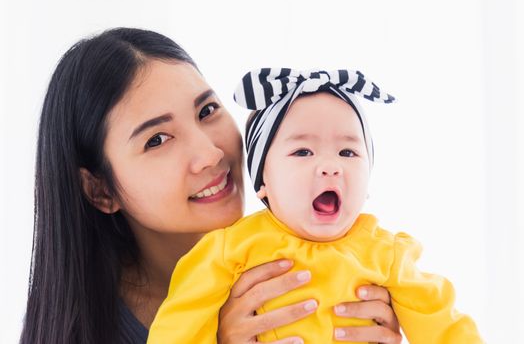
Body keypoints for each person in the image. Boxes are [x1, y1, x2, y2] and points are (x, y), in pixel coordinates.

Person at [20, 28, 403, 344]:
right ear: (100, 190)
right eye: (157, 140)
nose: (210, 153)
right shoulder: (88, 330)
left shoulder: (291, 252)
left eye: (207, 111)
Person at [148, 69, 483, 343]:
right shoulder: (229, 250)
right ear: (263, 181)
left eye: (348, 153)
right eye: (303, 152)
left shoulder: (385, 253)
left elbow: (445, 326)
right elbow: (179, 328)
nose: (330, 166)